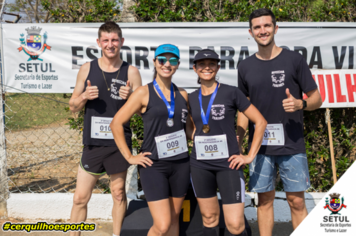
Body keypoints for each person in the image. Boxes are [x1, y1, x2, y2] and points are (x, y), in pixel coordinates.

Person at [237, 8, 323, 236]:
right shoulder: (244, 67)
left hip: (292, 144)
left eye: (266, 26)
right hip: (260, 145)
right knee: (264, 202)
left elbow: (317, 98)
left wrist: (300, 104)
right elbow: (244, 108)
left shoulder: (294, 60)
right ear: (250, 32)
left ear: (275, 28)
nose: (262, 31)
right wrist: (240, 136)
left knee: (296, 202)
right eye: (257, 27)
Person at [68, 21, 142, 236]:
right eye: (106, 40)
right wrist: (83, 97)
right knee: (80, 197)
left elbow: (143, 110)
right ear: (99, 43)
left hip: (118, 143)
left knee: (118, 193)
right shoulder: (87, 68)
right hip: (93, 144)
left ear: (122, 42)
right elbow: (73, 107)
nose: (111, 44)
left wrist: (132, 100)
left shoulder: (132, 72)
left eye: (115, 40)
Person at [110, 44, 191, 236]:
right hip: (154, 165)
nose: (166, 64)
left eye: (172, 61)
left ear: (177, 65)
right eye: (162, 60)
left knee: (173, 219)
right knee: (162, 225)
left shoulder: (183, 94)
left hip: (180, 164)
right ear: (154, 62)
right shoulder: (143, 93)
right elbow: (116, 124)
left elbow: (189, 130)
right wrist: (130, 157)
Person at [189, 49, 267, 236]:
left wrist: (249, 156)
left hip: (228, 165)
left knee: (235, 225)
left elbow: (261, 121)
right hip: (200, 165)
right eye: (202, 64)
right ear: (195, 68)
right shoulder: (190, 98)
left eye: (211, 64)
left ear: (218, 67)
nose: (206, 68)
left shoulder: (232, 92)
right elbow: (190, 128)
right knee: (209, 219)